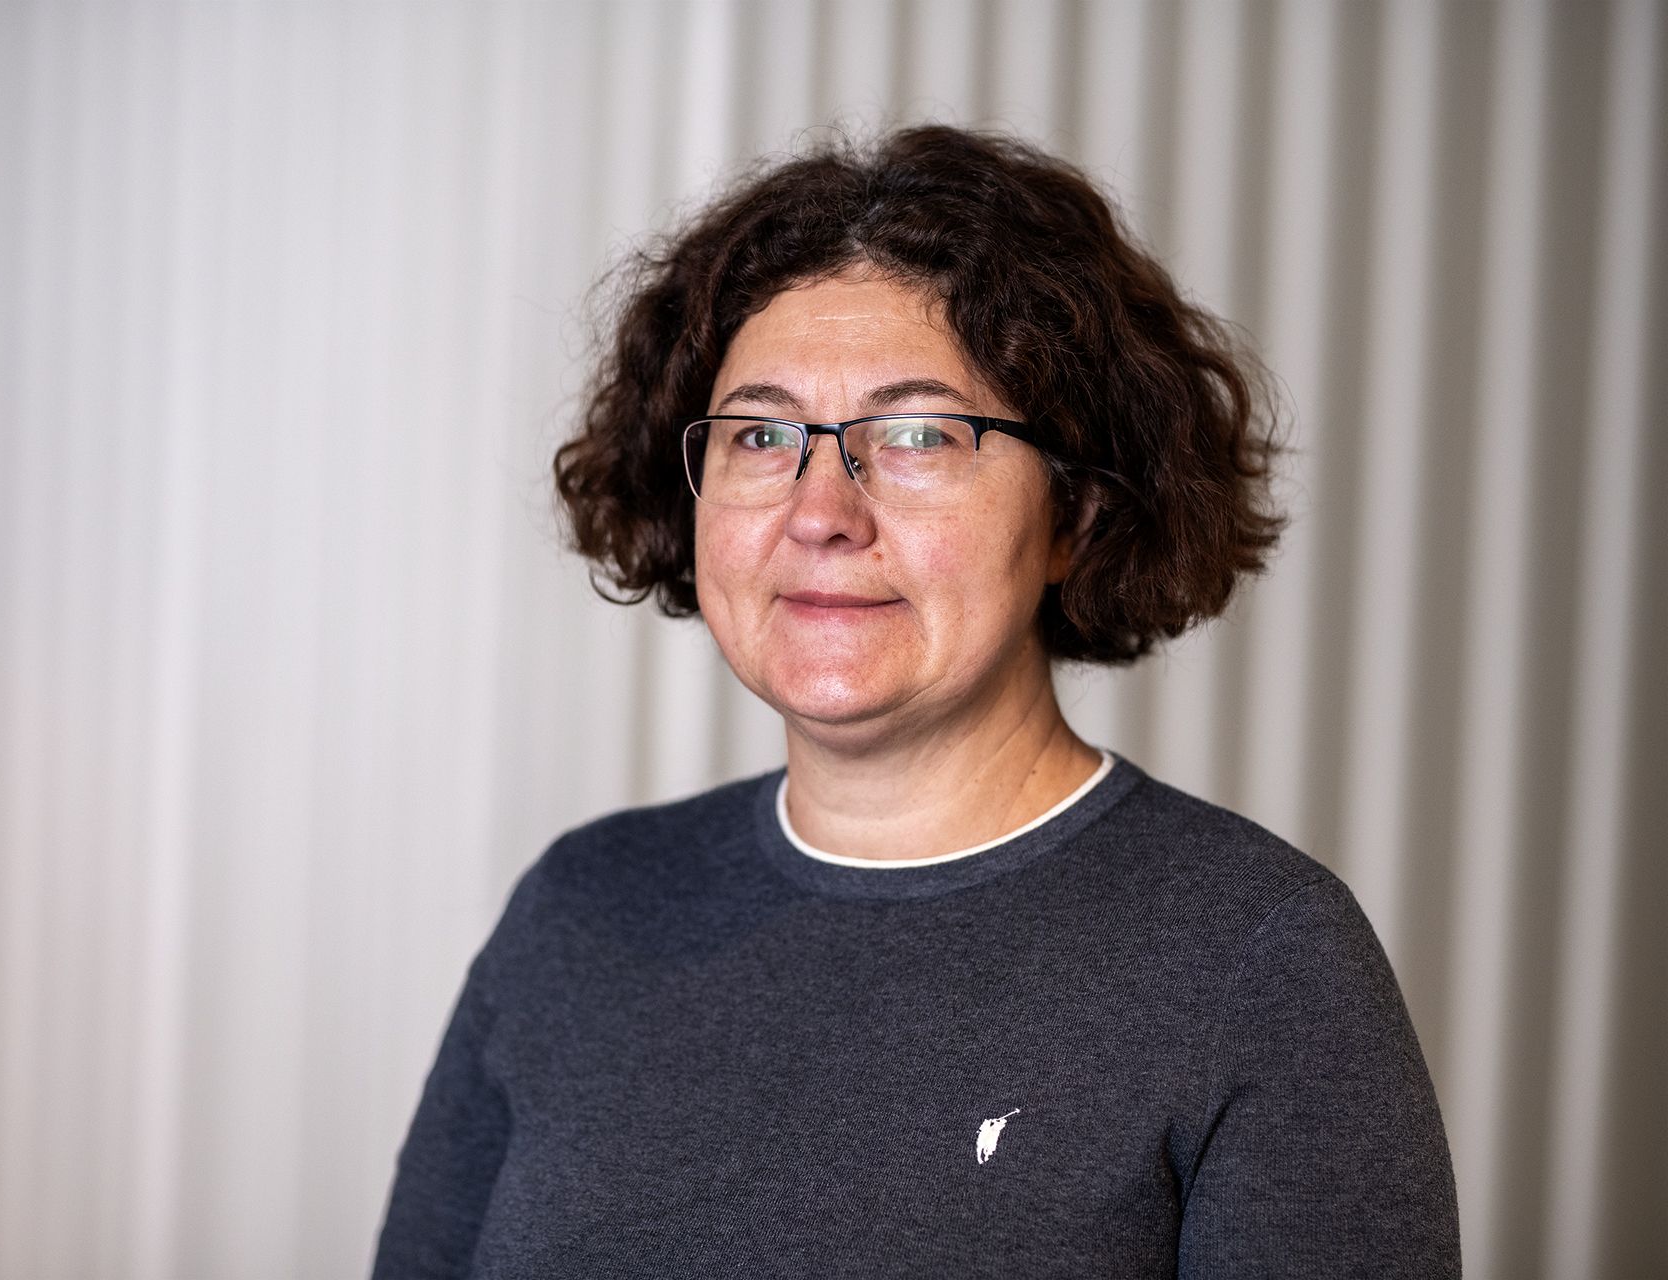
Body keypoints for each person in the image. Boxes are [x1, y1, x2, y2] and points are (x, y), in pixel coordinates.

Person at [371, 125, 1459, 1277]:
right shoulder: (581, 910)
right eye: (762, 433)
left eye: (920, 434)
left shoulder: (1257, 955)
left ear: (1077, 511)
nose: (821, 511)